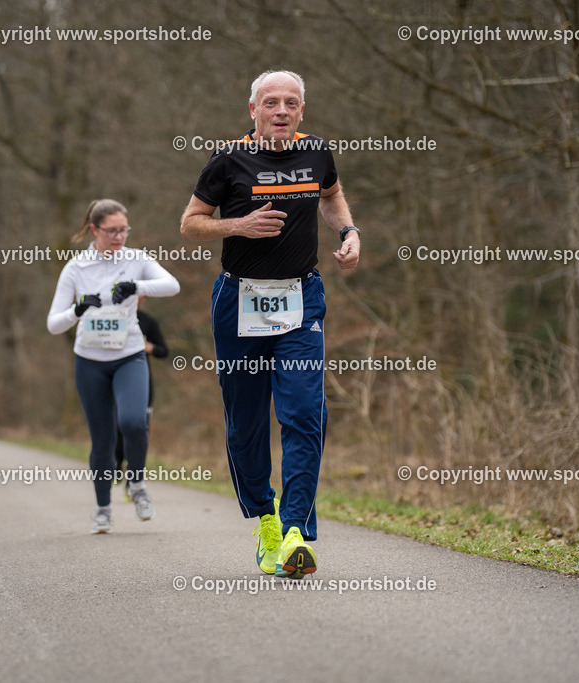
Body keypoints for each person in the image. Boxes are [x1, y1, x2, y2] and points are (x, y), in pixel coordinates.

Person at [179, 70, 361, 578]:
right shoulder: (227, 160)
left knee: (305, 412)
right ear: (253, 110)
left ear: (302, 111)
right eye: (270, 102)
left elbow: (330, 194)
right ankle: (265, 516)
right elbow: (190, 222)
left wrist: (348, 231)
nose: (281, 110)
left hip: (301, 298)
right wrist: (238, 225)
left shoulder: (318, 153)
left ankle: (295, 529)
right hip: (239, 299)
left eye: (291, 102)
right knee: (246, 422)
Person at [48, 199, 180, 533]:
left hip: (129, 355)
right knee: (103, 440)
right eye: (112, 231)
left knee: (134, 423)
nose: (119, 237)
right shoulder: (76, 268)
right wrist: (77, 310)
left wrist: (136, 286)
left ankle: (136, 484)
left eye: (124, 230)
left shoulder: (136, 259)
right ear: (95, 230)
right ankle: (103, 507)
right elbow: (53, 324)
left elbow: (171, 285)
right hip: (90, 361)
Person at [114, 296, 169, 500]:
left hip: (142, 385)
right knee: (118, 429)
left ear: (143, 297)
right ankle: (117, 463)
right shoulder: (112, 318)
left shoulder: (148, 322)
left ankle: (133, 482)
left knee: (138, 431)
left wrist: (150, 348)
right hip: (115, 382)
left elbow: (164, 351)